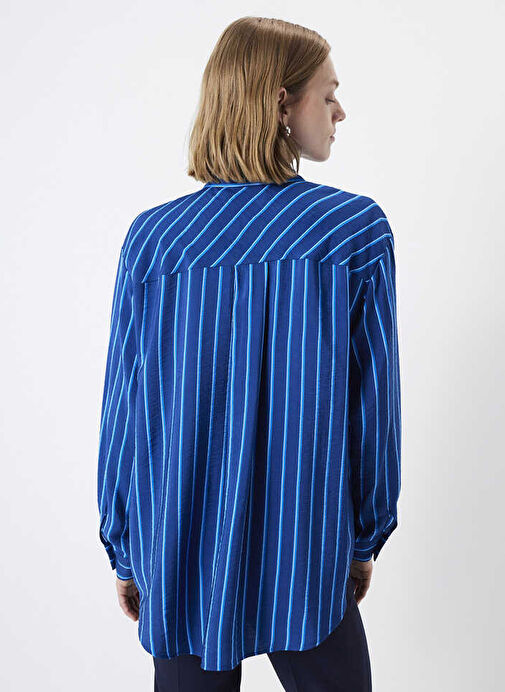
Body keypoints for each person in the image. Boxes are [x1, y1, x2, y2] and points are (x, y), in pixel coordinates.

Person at [97, 16, 402, 692]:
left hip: (179, 548)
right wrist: (363, 540)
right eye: (328, 94)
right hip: (306, 551)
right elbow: (373, 406)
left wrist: (128, 549)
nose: (340, 112)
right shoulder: (351, 232)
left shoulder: (155, 242)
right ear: (280, 103)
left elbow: (125, 410)